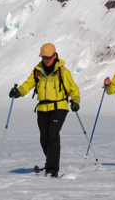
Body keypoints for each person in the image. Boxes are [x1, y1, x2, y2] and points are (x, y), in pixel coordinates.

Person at [9, 43, 80, 177]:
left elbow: (73, 89)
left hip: (59, 107)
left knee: (53, 135)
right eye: (43, 58)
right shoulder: (38, 70)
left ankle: (52, 169)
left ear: (54, 55)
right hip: (42, 107)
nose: (46, 60)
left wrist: (75, 101)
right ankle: (50, 163)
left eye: (48, 57)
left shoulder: (63, 71)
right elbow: (28, 83)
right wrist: (18, 92)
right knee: (44, 139)